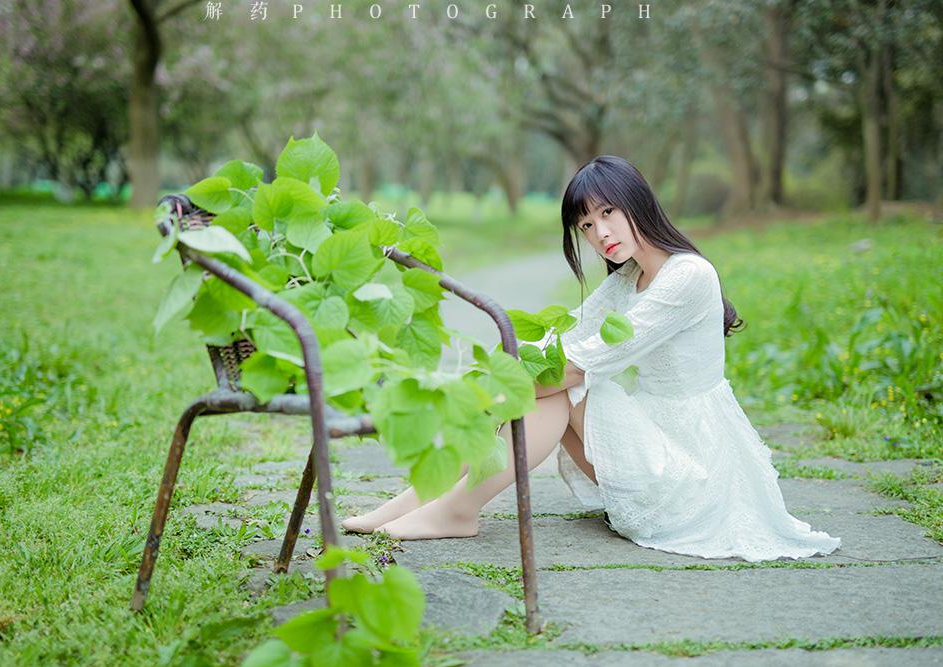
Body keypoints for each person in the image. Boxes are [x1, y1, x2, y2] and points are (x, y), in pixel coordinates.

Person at [342, 155, 841, 562]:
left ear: (637, 203)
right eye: (586, 224)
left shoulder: (688, 277)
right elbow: (562, 338)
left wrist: (493, 392)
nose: (599, 232)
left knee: (565, 386)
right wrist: (499, 379)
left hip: (690, 476)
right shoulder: (627, 278)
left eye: (607, 213)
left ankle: (452, 508)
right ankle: (425, 498)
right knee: (549, 380)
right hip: (654, 446)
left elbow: (577, 366)